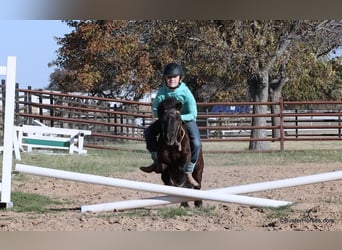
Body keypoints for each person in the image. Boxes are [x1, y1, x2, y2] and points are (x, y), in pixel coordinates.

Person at [140, 62, 202, 187]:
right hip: (167, 120)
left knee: (196, 142)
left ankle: (190, 169)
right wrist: (164, 117)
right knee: (148, 132)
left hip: (185, 120)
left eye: (174, 77)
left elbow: (193, 113)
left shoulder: (186, 92)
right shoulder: (162, 92)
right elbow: (156, 108)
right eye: (168, 77)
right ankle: (156, 159)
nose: (171, 79)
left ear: (180, 78)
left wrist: (179, 118)